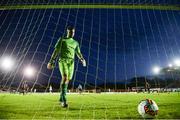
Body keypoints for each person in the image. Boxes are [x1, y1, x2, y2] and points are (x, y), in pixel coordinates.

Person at [47, 26, 86, 108]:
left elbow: (78, 53)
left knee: (68, 79)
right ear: (67, 32)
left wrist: (82, 59)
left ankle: (61, 98)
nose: (72, 33)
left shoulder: (75, 43)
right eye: (70, 32)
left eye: (73, 32)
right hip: (63, 60)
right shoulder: (62, 40)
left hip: (71, 62)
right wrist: (51, 61)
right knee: (64, 77)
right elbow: (56, 51)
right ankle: (64, 100)